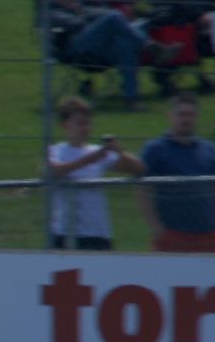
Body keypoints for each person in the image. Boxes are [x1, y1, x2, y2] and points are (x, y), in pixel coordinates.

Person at [47, 0, 161, 109]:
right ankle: (147, 45)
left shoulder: (84, 10)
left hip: (98, 49)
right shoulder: (52, 13)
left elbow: (104, 14)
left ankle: (131, 99)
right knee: (114, 17)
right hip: (74, 49)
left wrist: (92, 18)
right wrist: (84, 15)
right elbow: (76, 24)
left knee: (127, 44)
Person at [46, 98, 143, 249]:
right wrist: (88, 160)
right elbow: (52, 171)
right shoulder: (56, 150)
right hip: (64, 233)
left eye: (87, 123)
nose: (85, 128)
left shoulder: (96, 151)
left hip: (96, 233)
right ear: (65, 125)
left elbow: (138, 168)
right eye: (80, 123)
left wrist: (119, 151)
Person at [138, 95, 215, 252]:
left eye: (190, 115)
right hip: (172, 235)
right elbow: (142, 190)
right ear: (170, 116)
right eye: (181, 114)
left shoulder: (209, 149)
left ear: (197, 117)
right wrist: (157, 229)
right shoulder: (155, 149)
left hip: (208, 236)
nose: (186, 120)